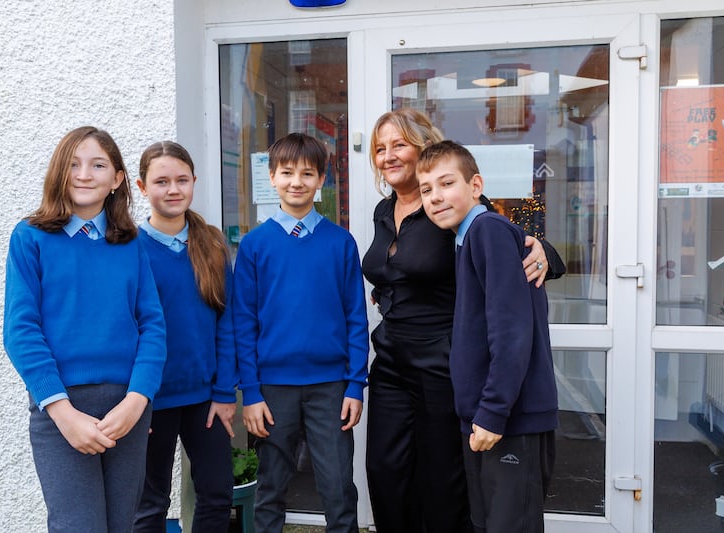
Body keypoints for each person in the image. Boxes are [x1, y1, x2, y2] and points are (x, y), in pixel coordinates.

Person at [361, 108, 564, 533]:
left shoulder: (449, 207)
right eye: (380, 148)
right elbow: (393, 272)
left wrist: (544, 250)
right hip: (392, 363)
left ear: (423, 147)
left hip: (441, 364)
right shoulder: (384, 211)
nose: (388, 155)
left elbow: (503, 237)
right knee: (385, 471)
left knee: (442, 480)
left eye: (399, 144)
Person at [3, 126, 167, 533]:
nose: (84, 174)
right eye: (74, 164)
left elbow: (153, 326)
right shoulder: (31, 238)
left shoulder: (131, 245)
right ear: (59, 172)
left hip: (126, 408)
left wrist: (137, 401)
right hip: (62, 407)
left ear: (117, 180)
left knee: (122, 526)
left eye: (98, 165)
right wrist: (62, 412)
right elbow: (21, 330)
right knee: (80, 526)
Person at [418, 140, 558, 532]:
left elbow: (512, 330)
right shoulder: (465, 238)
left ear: (475, 185)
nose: (435, 197)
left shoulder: (488, 231)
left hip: (511, 418)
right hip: (484, 417)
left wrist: (494, 412)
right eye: (427, 190)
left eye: (446, 184)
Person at [233, 132, 369, 533]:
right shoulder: (255, 245)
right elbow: (244, 323)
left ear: (321, 179)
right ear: (272, 177)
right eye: (287, 172)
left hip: (331, 387)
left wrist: (355, 385)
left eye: (307, 173)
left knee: (339, 487)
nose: (297, 181)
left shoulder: (341, 243)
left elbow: (355, 319)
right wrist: (251, 392)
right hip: (273, 389)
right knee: (270, 487)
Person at [132, 141, 237, 532]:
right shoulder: (129, 248)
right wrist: (136, 401)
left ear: (194, 182)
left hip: (205, 400)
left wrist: (226, 393)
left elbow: (227, 324)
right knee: (150, 502)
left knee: (216, 494)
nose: (173, 189)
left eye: (181, 180)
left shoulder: (211, 244)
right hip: (150, 400)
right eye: (161, 182)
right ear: (143, 188)